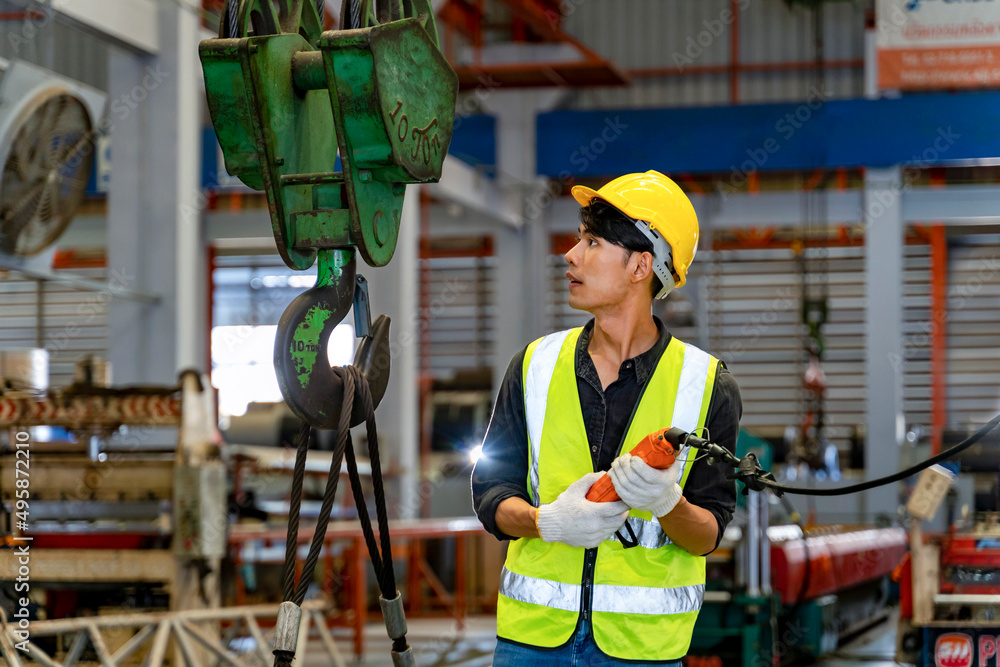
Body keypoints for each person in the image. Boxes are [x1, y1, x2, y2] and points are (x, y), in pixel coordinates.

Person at [471, 171, 743, 665]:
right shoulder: (533, 366)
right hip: (531, 643)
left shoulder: (707, 385)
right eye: (579, 239)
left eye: (592, 242)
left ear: (641, 265)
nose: (571, 255)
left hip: (642, 649)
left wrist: (665, 502)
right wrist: (547, 522)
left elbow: (708, 533)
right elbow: (491, 496)